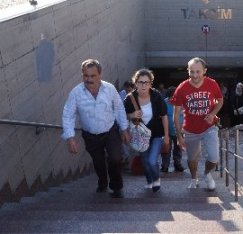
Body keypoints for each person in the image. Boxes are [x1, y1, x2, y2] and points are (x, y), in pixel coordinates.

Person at [62, 59, 130, 198]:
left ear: (100, 75)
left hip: (111, 131)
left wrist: (124, 128)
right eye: (86, 76)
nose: (89, 79)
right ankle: (102, 182)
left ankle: (116, 187)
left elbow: (118, 108)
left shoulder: (109, 89)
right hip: (90, 135)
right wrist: (70, 137)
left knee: (116, 158)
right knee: (98, 161)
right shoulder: (76, 93)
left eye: (92, 76)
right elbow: (68, 115)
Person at [171, 57, 223, 191]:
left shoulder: (212, 84)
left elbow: (220, 100)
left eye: (198, 72)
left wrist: (212, 114)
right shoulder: (182, 88)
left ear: (204, 71)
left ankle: (207, 174)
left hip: (209, 127)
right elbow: (176, 114)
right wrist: (179, 136)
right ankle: (194, 178)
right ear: (188, 71)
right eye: (191, 72)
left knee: (214, 157)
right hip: (190, 130)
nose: (195, 75)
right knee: (192, 159)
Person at [123, 69, 169, 192]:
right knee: (144, 161)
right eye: (141, 82)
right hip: (140, 135)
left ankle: (156, 179)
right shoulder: (130, 98)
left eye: (146, 82)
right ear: (136, 83)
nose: (144, 85)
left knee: (152, 160)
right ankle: (149, 180)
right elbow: (123, 116)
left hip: (156, 134)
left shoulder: (156, 96)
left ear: (150, 84)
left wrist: (167, 135)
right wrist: (132, 115)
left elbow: (164, 116)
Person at [161, 86, 185, 173]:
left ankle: (177, 164)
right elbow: (162, 116)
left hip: (179, 129)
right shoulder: (164, 102)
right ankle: (165, 166)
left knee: (178, 148)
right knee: (166, 148)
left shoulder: (182, 102)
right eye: (172, 97)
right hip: (167, 130)